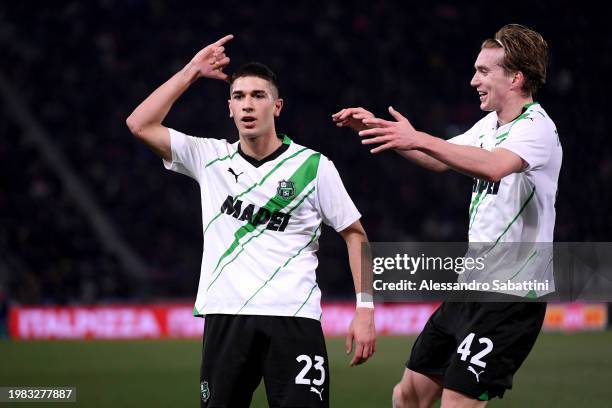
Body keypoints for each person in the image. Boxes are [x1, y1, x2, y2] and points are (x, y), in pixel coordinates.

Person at [126, 35, 375, 407]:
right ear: (229, 108)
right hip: (227, 316)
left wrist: (365, 309)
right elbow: (139, 124)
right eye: (239, 96)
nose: (247, 104)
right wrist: (192, 71)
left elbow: (356, 235)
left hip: (293, 317)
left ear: (277, 106)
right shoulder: (208, 157)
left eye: (258, 96)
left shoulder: (314, 167)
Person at [333, 24, 561, 407]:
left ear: (516, 78)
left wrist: (418, 137)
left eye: (484, 71)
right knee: (407, 395)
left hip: (511, 298)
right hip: (470, 288)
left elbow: (493, 167)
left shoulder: (537, 129)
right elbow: (438, 159)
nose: (474, 80)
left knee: (458, 402)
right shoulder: (490, 125)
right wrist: (381, 129)